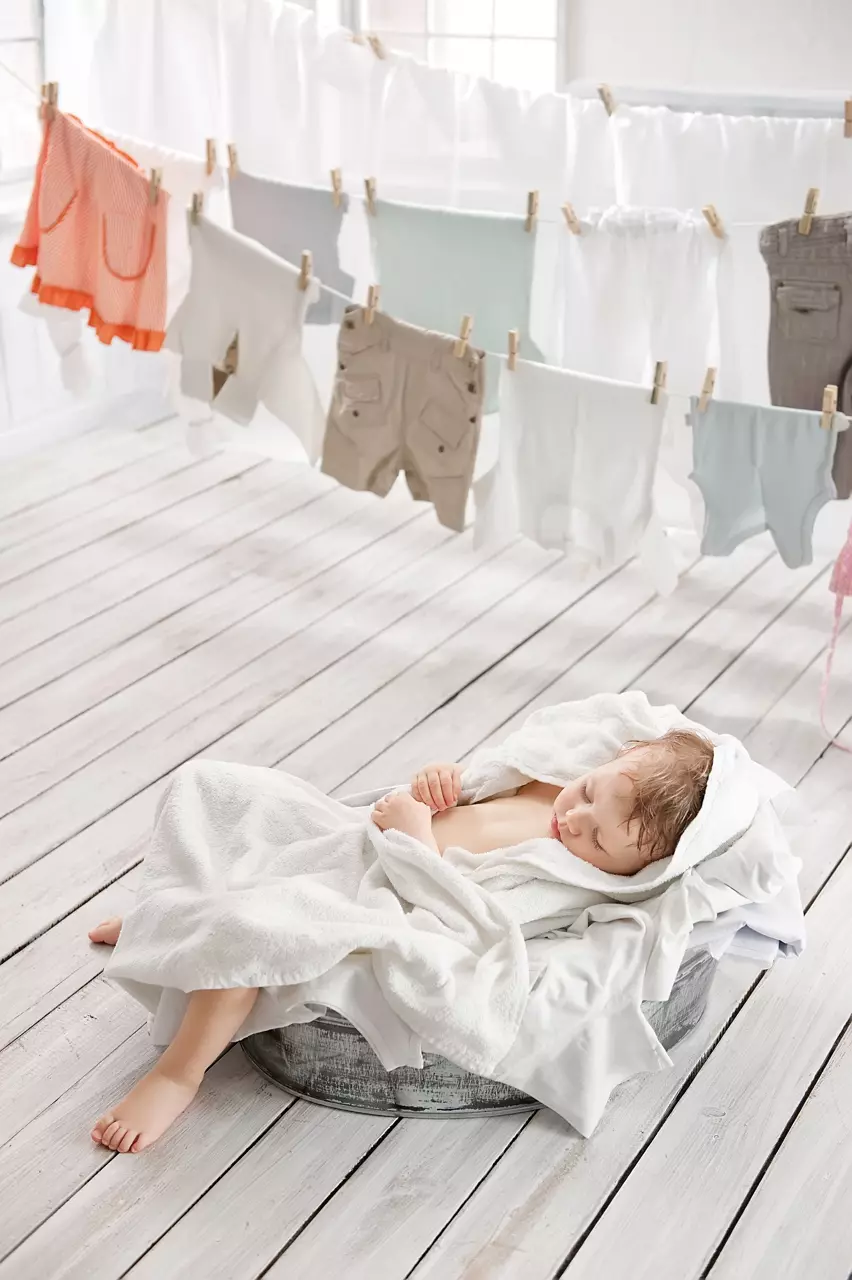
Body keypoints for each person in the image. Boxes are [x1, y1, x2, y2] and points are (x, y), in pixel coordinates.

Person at [87, 727, 713, 1154]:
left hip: (379, 883)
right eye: (589, 793)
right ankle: (165, 921)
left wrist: (418, 839)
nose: (574, 819)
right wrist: (438, 782)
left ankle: (178, 1073)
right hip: (349, 835)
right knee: (215, 786)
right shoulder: (544, 782)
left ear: (630, 869)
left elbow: (474, 912)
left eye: (598, 837)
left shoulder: (568, 875)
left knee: (257, 927)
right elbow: (459, 788)